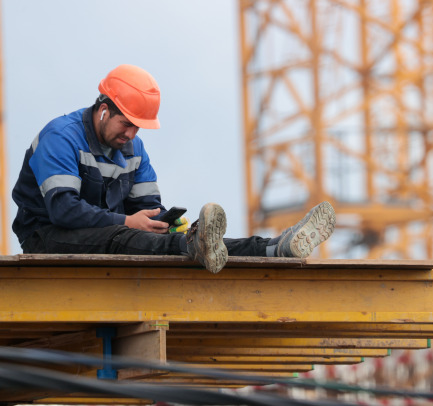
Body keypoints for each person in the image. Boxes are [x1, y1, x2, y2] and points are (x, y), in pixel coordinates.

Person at [11, 64, 336, 273]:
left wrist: (163, 220)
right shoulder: (60, 138)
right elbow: (63, 210)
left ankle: (271, 247)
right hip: (46, 236)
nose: (131, 135)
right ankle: (194, 244)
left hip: (110, 231)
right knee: (123, 237)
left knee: (178, 234)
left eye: (138, 128)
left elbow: (147, 209)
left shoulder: (133, 148)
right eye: (127, 124)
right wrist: (127, 221)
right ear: (104, 110)